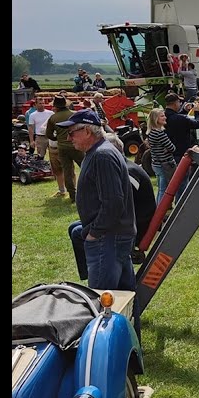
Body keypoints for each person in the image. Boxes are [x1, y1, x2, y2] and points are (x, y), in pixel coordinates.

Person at [57, 110, 136, 292]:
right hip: (112, 235)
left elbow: (113, 203)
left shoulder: (102, 155)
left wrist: (95, 232)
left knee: (102, 299)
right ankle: (131, 321)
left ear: (87, 131)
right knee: (124, 295)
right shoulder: (98, 152)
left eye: (71, 133)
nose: (69, 138)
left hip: (108, 237)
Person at [70, 134, 156, 278]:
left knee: (77, 231)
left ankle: (93, 270)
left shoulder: (128, 171)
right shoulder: (123, 165)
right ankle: (89, 271)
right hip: (126, 219)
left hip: (135, 223)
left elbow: (119, 204)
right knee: (74, 227)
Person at [45, 95, 83, 200]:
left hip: (62, 147)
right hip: (77, 145)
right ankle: (91, 189)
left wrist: (58, 138)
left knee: (67, 171)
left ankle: (72, 195)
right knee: (85, 167)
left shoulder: (53, 118)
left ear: (56, 107)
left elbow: (48, 134)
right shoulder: (75, 114)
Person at [146, 108, 179, 199]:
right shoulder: (159, 134)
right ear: (156, 119)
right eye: (162, 116)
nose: (165, 117)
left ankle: (159, 209)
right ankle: (160, 210)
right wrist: (168, 149)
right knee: (164, 189)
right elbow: (172, 148)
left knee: (161, 188)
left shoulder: (151, 133)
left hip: (156, 163)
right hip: (164, 165)